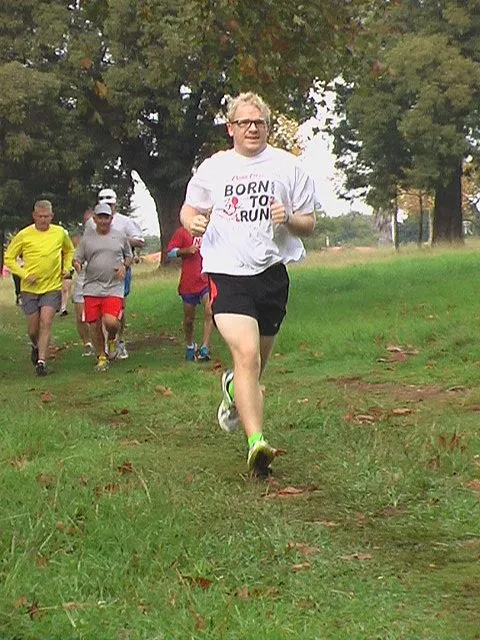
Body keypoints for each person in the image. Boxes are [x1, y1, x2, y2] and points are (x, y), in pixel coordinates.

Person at [180, 92, 316, 477]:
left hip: (272, 275)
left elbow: (308, 222)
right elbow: (189, 209)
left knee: (255, 368)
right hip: (227, 271)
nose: (252, 128)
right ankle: (257, 444)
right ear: (231, 128)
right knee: (247, 355)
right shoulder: (215, 167)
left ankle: (231, 389)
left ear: (268, 127)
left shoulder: (289, 167)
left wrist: (288, 217)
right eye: (244, 122)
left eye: (259, 122)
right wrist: (191, 221)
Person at [4, 200, 75, 376]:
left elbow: (69, 250)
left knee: (46, 321)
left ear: (52, 216)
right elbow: (9, 258)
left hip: (52, 286)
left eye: (47, 217)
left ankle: (42, 362)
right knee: (33, 329)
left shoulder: (59, 233)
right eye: (40, 216)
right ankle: (35, 345)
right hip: (29, 288)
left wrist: (66, 268)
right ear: (34, 216)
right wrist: (24, 274)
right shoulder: (24, 235)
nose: (43, 220)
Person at [74, 202, 133, 372]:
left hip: (114, 286)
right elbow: (77, 258)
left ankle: (112, 339)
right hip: (91, 286)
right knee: (94, 324)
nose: (103, 221)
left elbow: (128, 256)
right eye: (100, 217)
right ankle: (101, 356)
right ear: (95, 219)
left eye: (106, 217)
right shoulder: (87, 239)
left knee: (110, 321)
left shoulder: (119, 237)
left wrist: (124, 266)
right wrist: (77, 265)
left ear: (111, 218)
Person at [88, 188, 144, 359]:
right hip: (97, 273)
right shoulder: (92, 222)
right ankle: (103, 344)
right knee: (98, 312)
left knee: (120, 307)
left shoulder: (124, 222)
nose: (107, 208)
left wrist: (120, 239)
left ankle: (119, 340)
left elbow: (140, 240)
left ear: (115, 204)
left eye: (110, 204)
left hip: (120, 269)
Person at [166, 227, 213, 361]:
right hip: (188, 283)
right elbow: (170, 252)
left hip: (205, 280)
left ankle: (205, 347)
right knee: (188, 320)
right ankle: (190, 345)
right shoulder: (183, 232)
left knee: (210, 310)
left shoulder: (210, 230)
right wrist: (185, 250)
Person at [71, 208, 94, 356]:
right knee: (80, 317)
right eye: (87, 221)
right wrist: (77, 265)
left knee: (95, 316)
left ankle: (102, 342)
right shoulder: (82, 240)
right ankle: (87, 343)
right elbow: (75, 259)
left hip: (98, 281)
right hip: (82, 280)